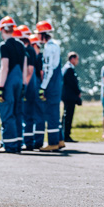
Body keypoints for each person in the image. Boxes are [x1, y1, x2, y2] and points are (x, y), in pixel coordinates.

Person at [0, 16, 26, 154]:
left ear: (2, 30)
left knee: (7, 113)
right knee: (17, 112)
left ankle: (9, 145)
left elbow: (4, 67)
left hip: (9, 81)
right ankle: (18, 143)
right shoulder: (21, 45)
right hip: (19, 81)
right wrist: (24, 84)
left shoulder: (4, 46)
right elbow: (24, 66)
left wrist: (0, 87)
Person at [36, 20, 64, 151]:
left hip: (51, 85)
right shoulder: (56, 45)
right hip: (57, 83)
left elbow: (48, 70)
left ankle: (53, 143)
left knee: (51, 113)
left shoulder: (48, 48)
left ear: (42, 34)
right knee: (55, 112)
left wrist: (43, 87)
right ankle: (60, 140)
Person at [15, 25, 43, 151]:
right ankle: (29, 141)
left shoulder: (28, 50)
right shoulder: (29, 50)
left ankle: (28, 142)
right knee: (28, 115)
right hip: (31, 86)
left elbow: (30, 71)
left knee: (27, 115)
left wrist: (23, 86)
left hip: (29, 86)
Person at [29, 33, 46, 149]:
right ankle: (33, 140)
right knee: (33, 114)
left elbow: (42, 73)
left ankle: (38, 141)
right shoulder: (35, 57)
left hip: (37, 86)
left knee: (39, 114)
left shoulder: (39, 57)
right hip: (34, 87)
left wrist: (42, 88)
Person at [61, 51, 82, 143]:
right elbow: (72, 83)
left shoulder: (67, 68)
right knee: (68, 115)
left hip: (67, 95)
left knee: (66, 115)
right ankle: (66, 135)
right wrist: (78, 92)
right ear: (72, 59)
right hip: (69, 96)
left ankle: (64, 134)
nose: (77, 61)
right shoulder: (69, 69)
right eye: (77, 59)